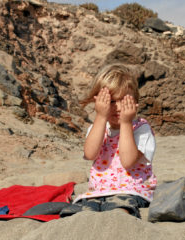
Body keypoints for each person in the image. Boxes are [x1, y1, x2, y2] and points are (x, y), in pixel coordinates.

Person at [60, 64, 157, 218]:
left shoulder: (141, 128)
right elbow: (91, 154)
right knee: (85, 210)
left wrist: (126, 123)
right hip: (98, 190)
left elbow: (128, 161)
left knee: (119, 207)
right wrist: (100, 116)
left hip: (131, 189)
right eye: (110, 101)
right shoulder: (99, 127)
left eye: (123, 101)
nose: (117, 107)